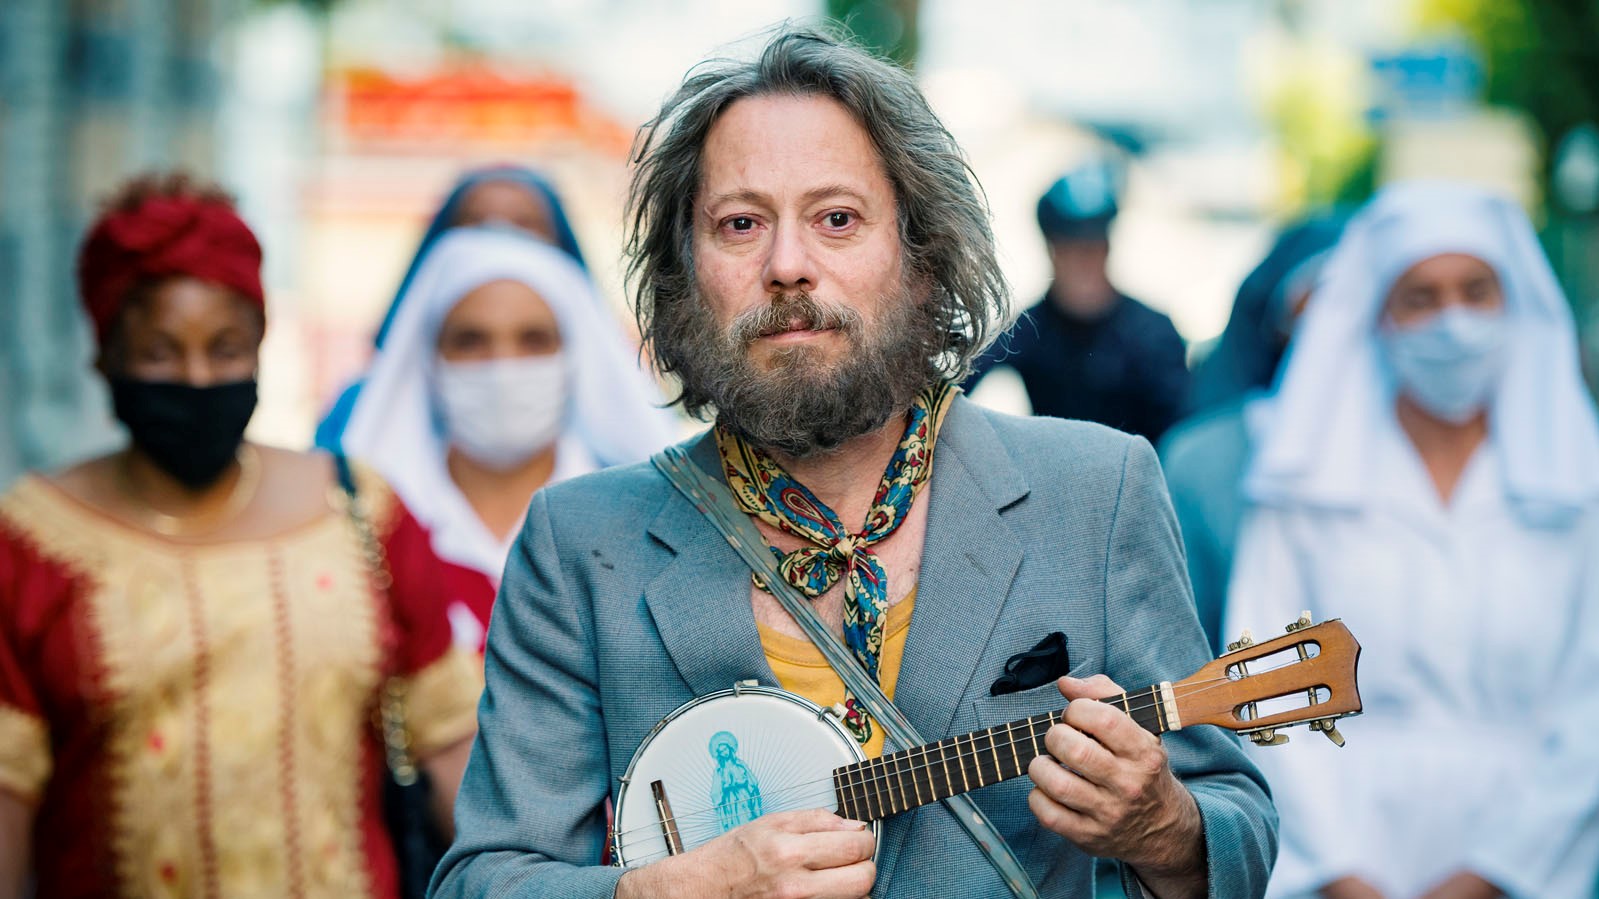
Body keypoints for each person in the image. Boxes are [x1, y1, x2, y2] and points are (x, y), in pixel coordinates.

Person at [432, 27, 1274, 899]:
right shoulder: (580, 544)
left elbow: (1233, 821)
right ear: (684, 278)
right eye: (739, 224)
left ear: (921, 262)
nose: (787, 265)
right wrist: (671, 890)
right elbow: (481, 878)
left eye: (836, 219)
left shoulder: (1094, 492)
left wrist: (1167, 828)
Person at [0, 174, 484, 899]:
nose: (197, 377)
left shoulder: (359, 510)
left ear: (260, 344)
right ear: (104, 355)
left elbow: (448, 748)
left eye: (225, 348)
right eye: (161, 353)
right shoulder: (34, 541)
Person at [1225, 181, 1599, 899]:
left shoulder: (1576, 484)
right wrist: (1342, 873)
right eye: (1420, 297)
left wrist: (1488, 875)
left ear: (1511, 304)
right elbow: (1262, 684)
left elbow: (1588, 704)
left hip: (1531, 864)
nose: (1451, 322)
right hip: (1334, 860)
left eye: (1474, 290)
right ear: (1378, 318)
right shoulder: (1304, 483)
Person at [338, 226, 676, 651]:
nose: (503, 367)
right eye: (471, 341)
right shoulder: (368, 533)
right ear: (430, 358)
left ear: (575, 355)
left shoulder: (645, 528)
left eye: (533, 340)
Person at [1158, 215, 1345, 654]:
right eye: (1324, 297)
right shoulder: (1201, 461)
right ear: (1278, 322)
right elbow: (1179, 644)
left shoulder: (1437, 452)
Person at [314, 164, 590, 452]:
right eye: (475, 222)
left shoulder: (610, 403)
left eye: (523, 223)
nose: (498, 235)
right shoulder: (363, 407)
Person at [963, 160, 1190, 443]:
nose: (1084, 264)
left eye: (1093, 248)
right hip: (1058, 478)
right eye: (1070, 249)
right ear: (1050, 250)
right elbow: (960, 385)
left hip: (1139, 479)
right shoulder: (1030, 329)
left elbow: (1182, 431)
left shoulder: (1152, 331)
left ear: (1108, 247)